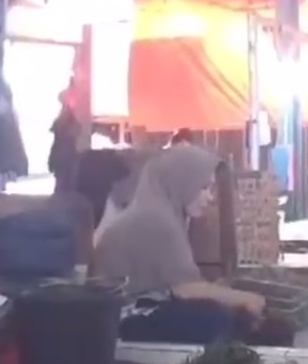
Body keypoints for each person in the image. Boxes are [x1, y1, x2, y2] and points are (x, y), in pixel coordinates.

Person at [94, 145, 286, 345]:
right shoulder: (156, 219)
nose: (209, 197)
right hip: (122, 318)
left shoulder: (160, 212)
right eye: (203, 187)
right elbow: (185, 289)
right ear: (181, 181)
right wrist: (247, 298)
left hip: (137, 310)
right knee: (214, 319)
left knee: (223, 314)